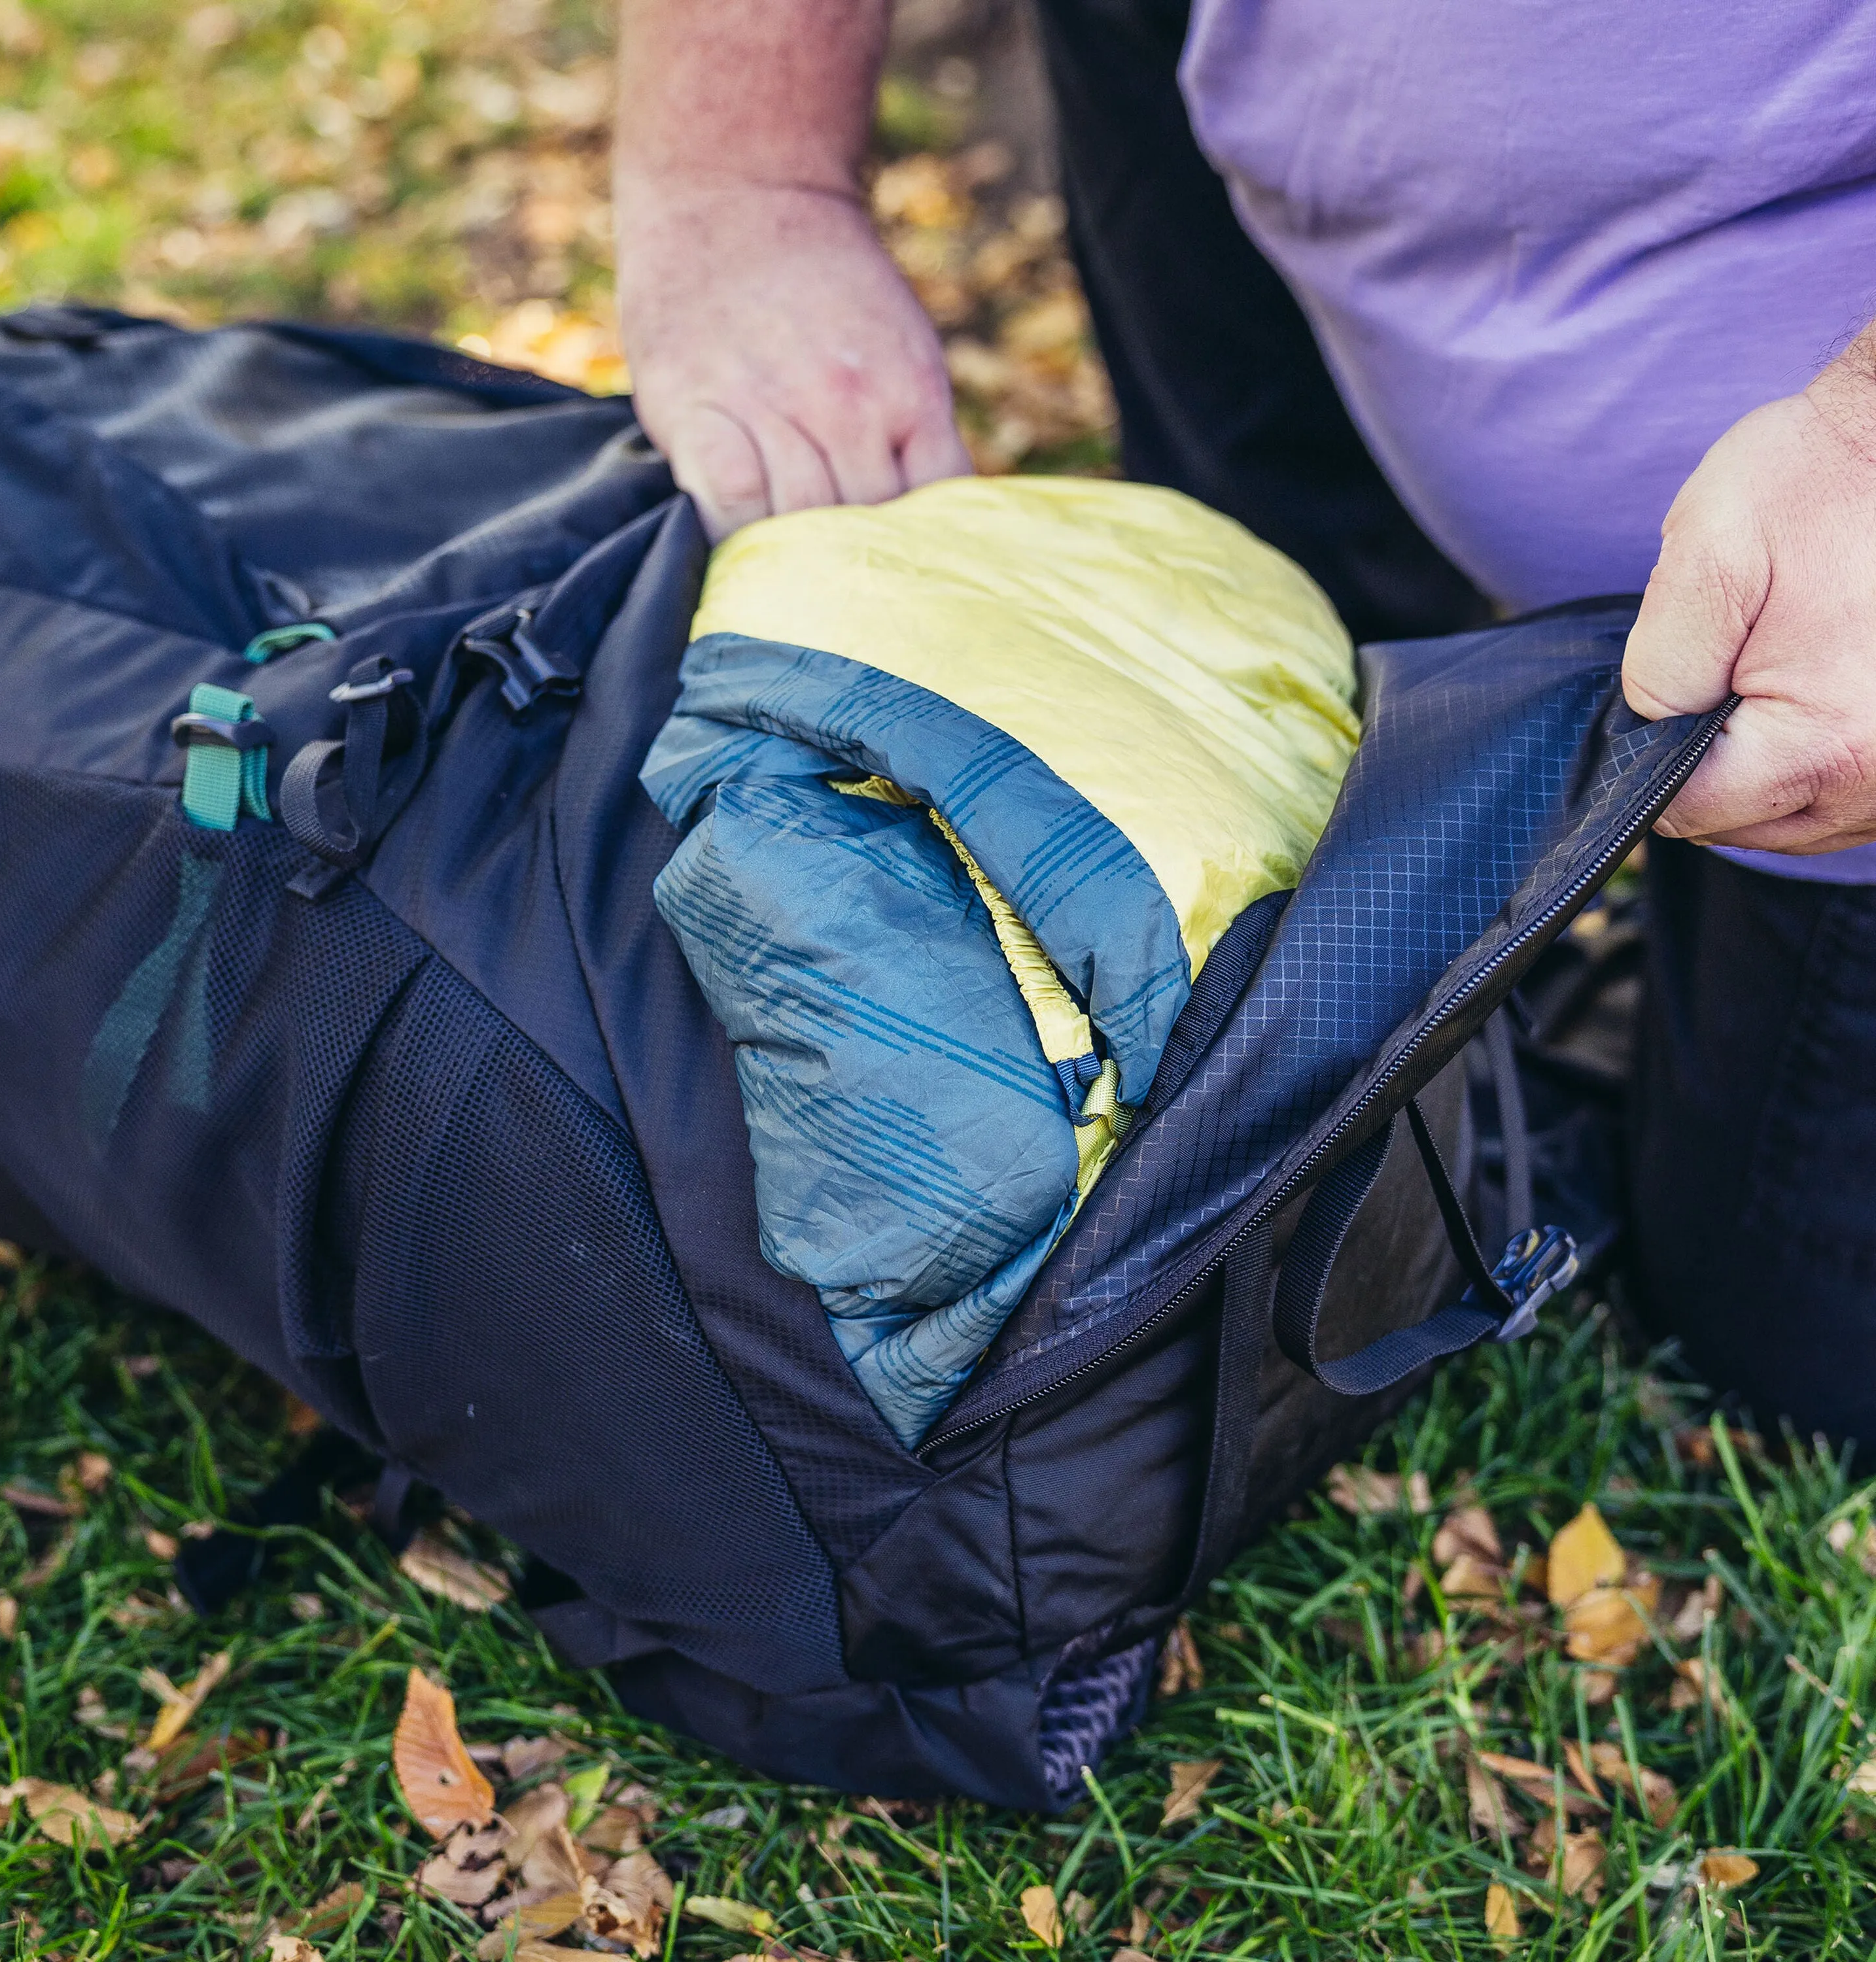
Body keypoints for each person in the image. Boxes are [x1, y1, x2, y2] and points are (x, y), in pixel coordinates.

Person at [612, 0, 1876, 1436]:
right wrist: (742, 178)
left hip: (1828, 529)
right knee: (1256, 911)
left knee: (1797, 1356)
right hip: (1240, 84)